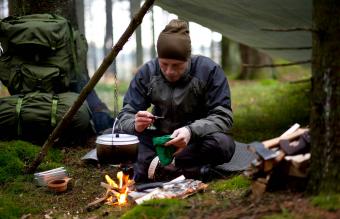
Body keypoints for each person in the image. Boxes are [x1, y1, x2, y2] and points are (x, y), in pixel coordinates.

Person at [116, 19, 235, 183]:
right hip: (158, 141)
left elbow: (223, 116)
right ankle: (193, 171)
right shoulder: (147, 72)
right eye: (164, 64)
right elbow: (125, 115)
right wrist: (135, 123)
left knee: (223, 144)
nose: (169, 72)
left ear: (188, 59)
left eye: (177, 65)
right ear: (158, 58)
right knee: (118, 137)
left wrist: (190, 131)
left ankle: (155, 168)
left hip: (193, 142)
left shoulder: (209, 71)